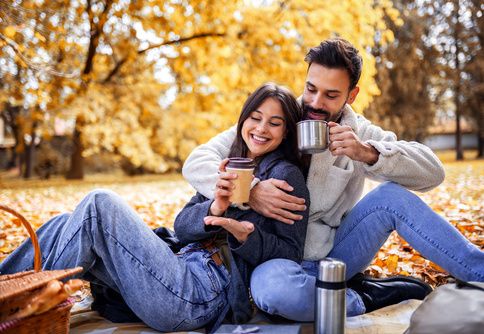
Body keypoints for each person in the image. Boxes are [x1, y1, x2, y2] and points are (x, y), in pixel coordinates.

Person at [182, 37, 484, 321]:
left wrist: (367, 153)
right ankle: (364, 297)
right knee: (272, 293)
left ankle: (479, 274)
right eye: (311, 88)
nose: (315, 102)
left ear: (351, 95)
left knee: (391, 198)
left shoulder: (358, 131)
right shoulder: (276, 116)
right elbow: (197, 162)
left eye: (331, 95)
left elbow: (434, 172)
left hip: (334, 252)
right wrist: (251, 190)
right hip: (277, 257)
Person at [0, 82, 310, 333]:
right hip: (178, 265)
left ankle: (12, 308)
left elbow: (291, 252)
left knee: (100, 204)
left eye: (275, 123)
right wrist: (215, 207)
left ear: (285, 132)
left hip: (201, 293)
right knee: (62, 223)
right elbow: (182, 226)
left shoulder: (286, 176)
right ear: (243, 120)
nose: (261, 128)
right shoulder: (229, 165)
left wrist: (243, 237)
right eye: (255, 118)